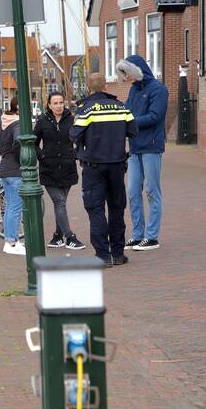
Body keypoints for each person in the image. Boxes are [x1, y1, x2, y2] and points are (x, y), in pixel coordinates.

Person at [70, 73, 137, 267]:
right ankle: (118, 253)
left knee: (96, 209)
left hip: (94, 167)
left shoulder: (86, 109)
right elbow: (133, 131)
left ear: (89, 88)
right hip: (117, 165)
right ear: (105, 86)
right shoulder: (121, 107)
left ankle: (103, 255)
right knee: (117, 209)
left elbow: (74, 135)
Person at [116, 55, 167, 251]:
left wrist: (128, 123)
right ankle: (137, 234)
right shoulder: (133, 90)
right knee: (132, 191)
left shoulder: (158, 89)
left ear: (136, 70)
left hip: (152, 146)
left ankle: (152, 236)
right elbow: (126, 111)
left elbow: (155, 116)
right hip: (135, 147)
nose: (126, 77)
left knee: (152, 191)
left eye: (127, 73)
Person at [35, 90, 85, 250]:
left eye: (61, 102)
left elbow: (81, 140)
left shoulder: (71, 120)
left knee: (60, 205)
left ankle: (57, 237)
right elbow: (33, 142)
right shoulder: (42, 121)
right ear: (49, 105)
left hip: (67, 168)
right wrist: (41, 156)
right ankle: (70, 237)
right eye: (55, 103)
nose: (58, 106)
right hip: (49, 169)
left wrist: (75, 155)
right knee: (60, 202)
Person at [0, 97, 26, 255]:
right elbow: (18, 141)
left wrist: (3, 150)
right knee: (15, 207)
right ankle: (11, 242)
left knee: (11, 206)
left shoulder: (5, 121)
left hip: (5, 168)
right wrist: (20, 157)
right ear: (19, 108)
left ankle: (10, 241)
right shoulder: (17, 123)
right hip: (15, 170)